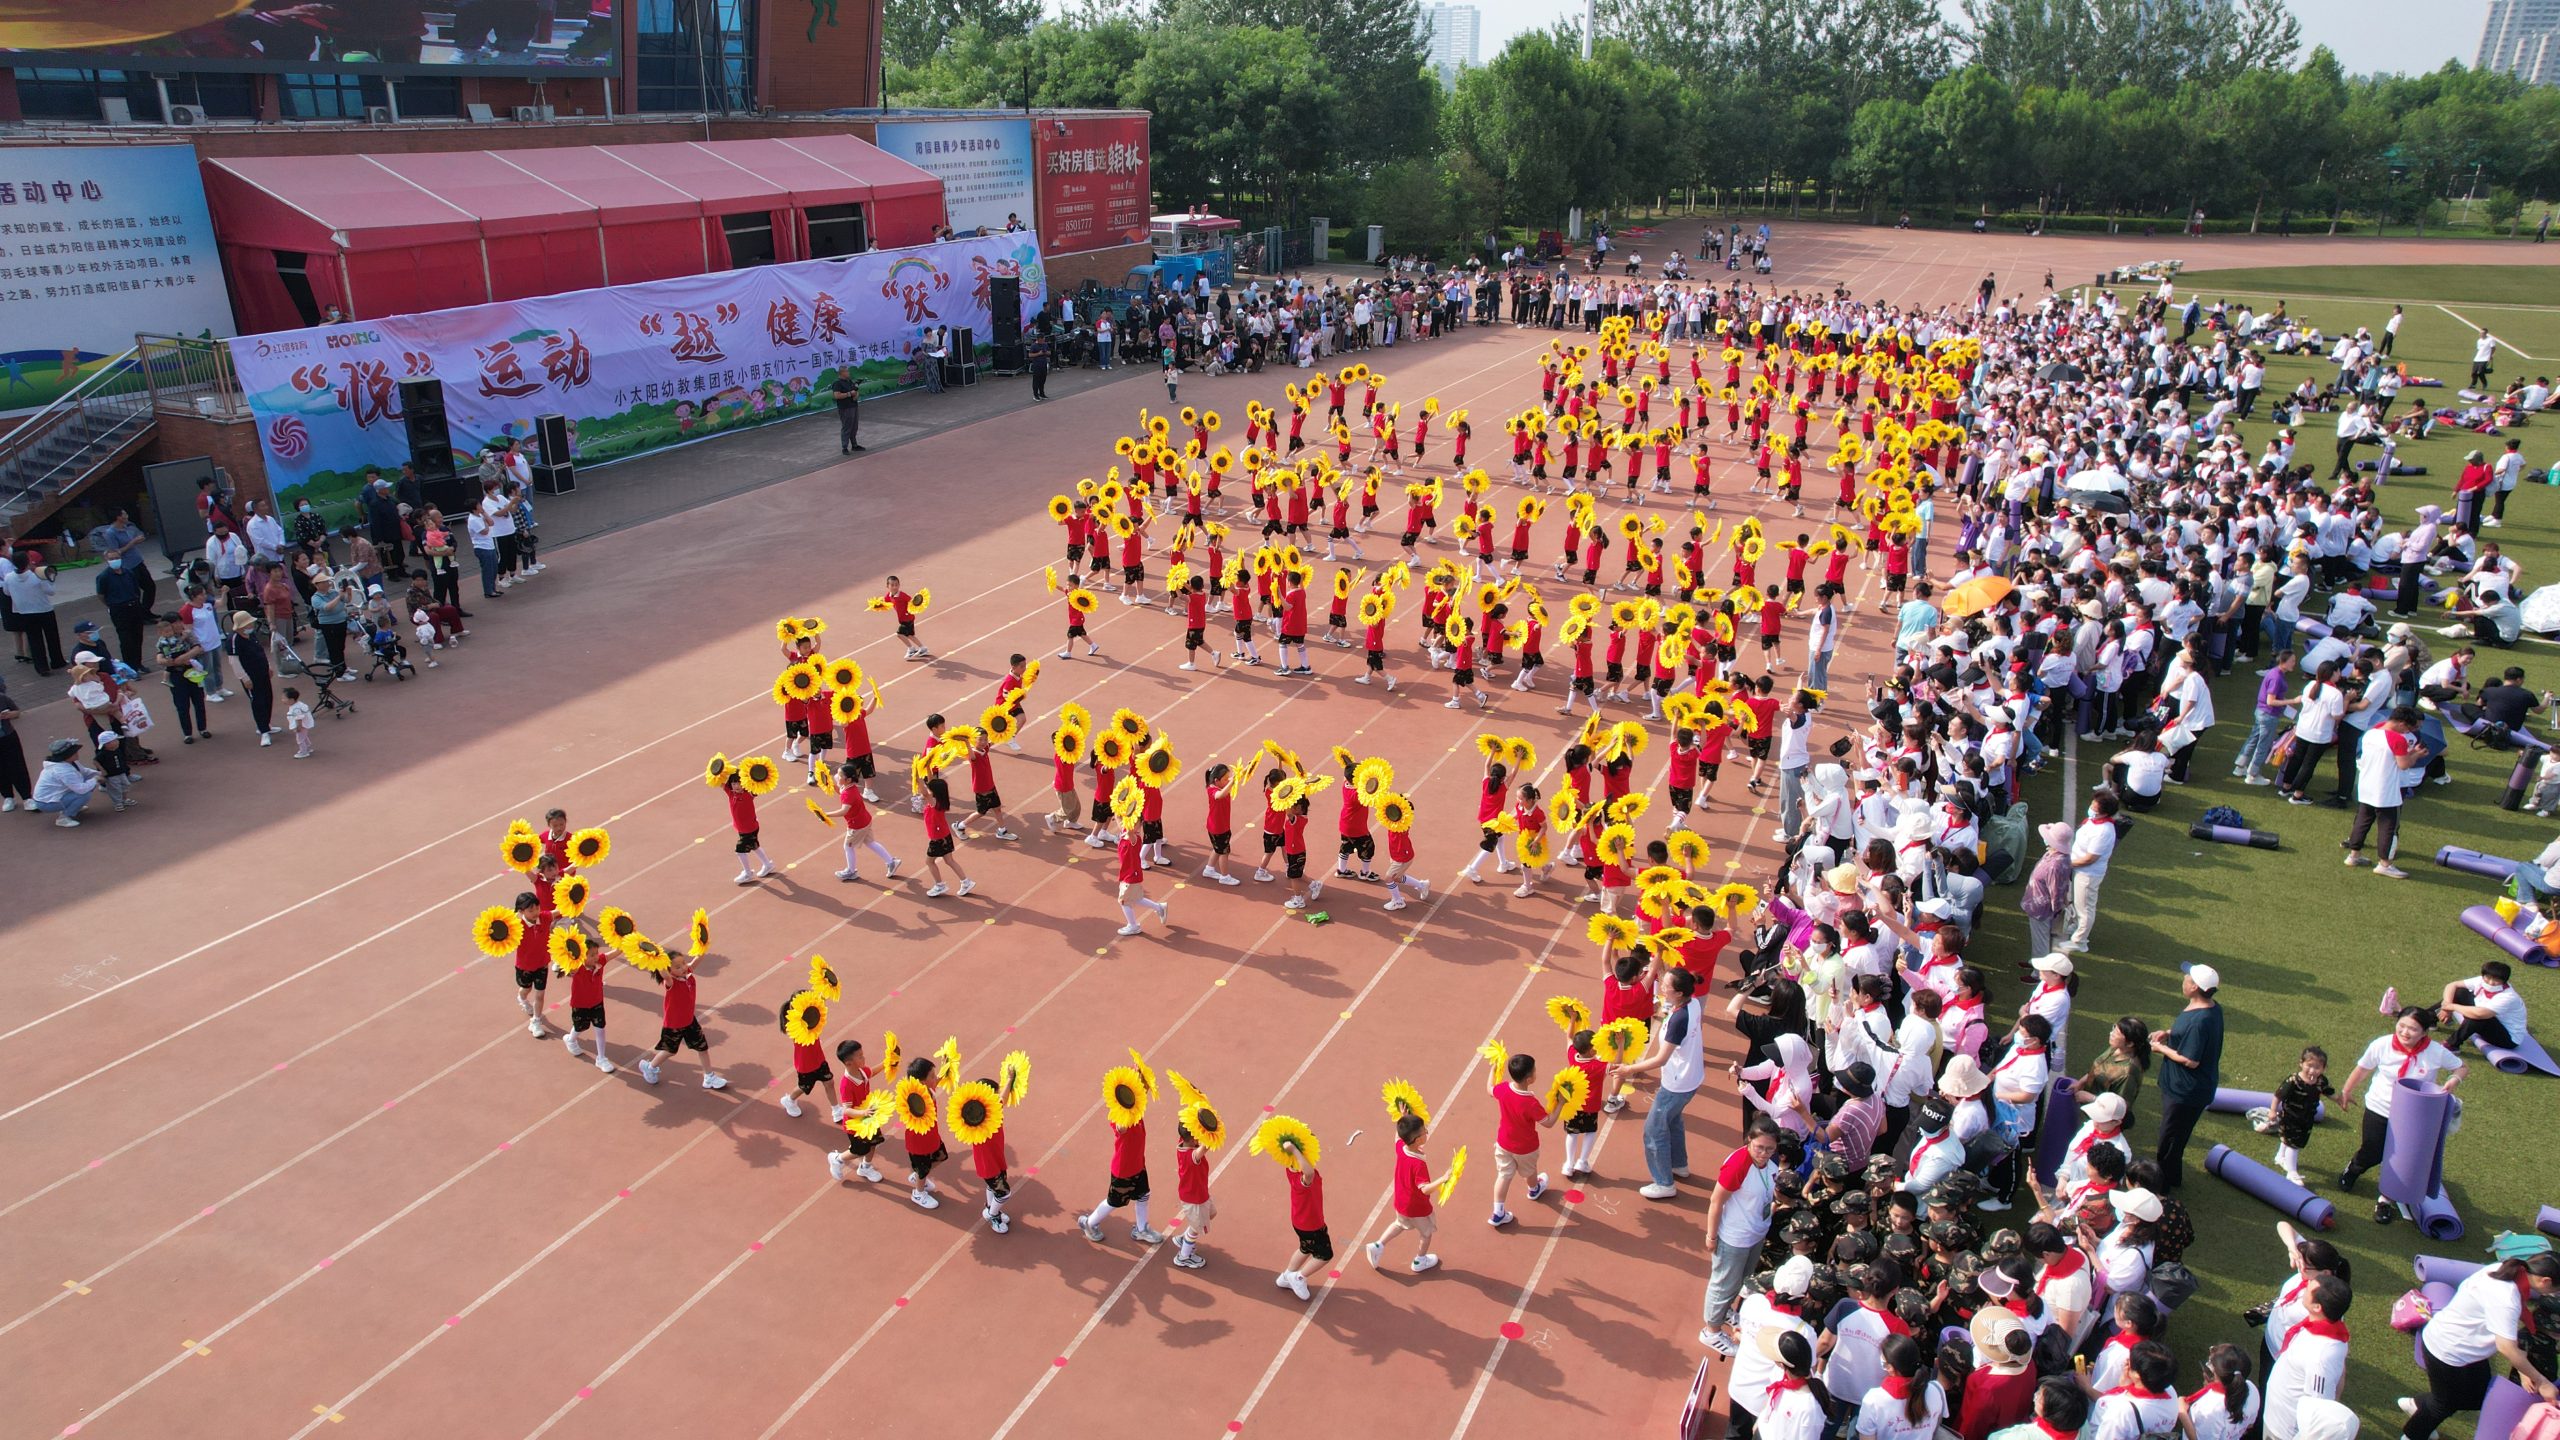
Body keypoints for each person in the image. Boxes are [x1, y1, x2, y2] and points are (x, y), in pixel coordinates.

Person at [2401, 1250, 2560, 1440]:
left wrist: (2524, 1370)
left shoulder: (2505, 1270)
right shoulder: (2506, 1298)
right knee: (2444, 1404)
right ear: (2546, 1281)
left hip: (2465, 1349)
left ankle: (2417, 1405)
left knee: (2480, 1396)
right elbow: (2506, 1347)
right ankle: (2412, 1434)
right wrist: (2542, 1382)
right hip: (2449, 1352)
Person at [2334, 1004, 2466, 1221]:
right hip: (2379, 1108)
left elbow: (2461, 1067)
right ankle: (2354, 1168)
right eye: (2402, 1026)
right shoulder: (2382, 1045)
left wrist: (2454, 1079)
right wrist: (2347, 1091)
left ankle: (2384, 1200)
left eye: (2413, 1029)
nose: (2405, 1032)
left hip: (2414, 1117)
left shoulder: (2435, 1052)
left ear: (2424, 1032)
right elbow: (2363, 1068)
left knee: (2401, 1158)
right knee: (2373, 1150)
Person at [1697, 1119, 1781, 1354]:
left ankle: (1724, 1313)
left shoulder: (1768, 1163)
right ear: (1749, 1141)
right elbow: (1716, 1201)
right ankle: (1711, 1331)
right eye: (1759, 1148)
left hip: (1755, 1232)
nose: (1764, 1154)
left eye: (1770, 1149)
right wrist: (1711, 1237)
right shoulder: (1738, 1165)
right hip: (1734, 1237)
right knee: (1723, 1283)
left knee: (1742, 1278)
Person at [2148, 964, 2224, 1188]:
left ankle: (2162, 1185)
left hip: (2186, 1092)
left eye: (2187, 978)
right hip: (2183, 1087)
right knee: (2173, 1136)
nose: (2183, 978)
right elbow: (2187, 1033)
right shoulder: (2209, 1007)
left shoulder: (2200, 1021)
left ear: (2194, 987)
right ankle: (2172, 1177)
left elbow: (2191, 1060)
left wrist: (2161, 1049)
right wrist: (2169, 1033)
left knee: (2170, 1139)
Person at [2343, 705, 2424, 878]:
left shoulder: (2372, 732)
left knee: (2362, 821)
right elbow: (2403, 765)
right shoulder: (2397, 739)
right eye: (2408, 727)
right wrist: (2416, 754)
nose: (2408, 731)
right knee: (2388, 826)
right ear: (2402, 723)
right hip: (2386, 789)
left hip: (2366, 785)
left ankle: (2353, 855)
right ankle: (2385, 864)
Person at [1364, 1109, 1442, 1273]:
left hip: (1401, 1201)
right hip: (1416, 1208)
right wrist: (1443, 1179)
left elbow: (1397, 1137)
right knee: (1426, 1233)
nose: (1426, 1132)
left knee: (1400, 1223)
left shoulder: (1402, 1147)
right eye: (1424, 1131)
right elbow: (1425, 1189)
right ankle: (1420, 1260)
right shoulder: (1418, 1164)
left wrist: (1402, 1117)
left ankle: (1378, 1245)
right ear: (1417, 1139)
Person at [637, 949, 726, 1090]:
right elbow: (664, 974)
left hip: (690, 1021)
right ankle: (650, 1067)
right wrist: (657, 960)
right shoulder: (670, 983)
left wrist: (702, 943)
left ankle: (709, 1076)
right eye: (677, 967)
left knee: (702, 1047)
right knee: (670, 1051)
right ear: (669, 970)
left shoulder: (688, 974)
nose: (684, 967)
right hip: (674, 1025)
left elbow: (698, 958)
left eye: (683, 963)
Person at [1487, 1050, 1556, 1225]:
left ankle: (1498, 1212)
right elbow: (1548, 1122)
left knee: (1503, 1175)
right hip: (1526, 1147)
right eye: (1534, 1070)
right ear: (1529, 1079)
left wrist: (1493, 1069)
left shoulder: (1502, 1089)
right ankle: (1534, 1189)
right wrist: (1561, 1104)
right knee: (1530, 1171)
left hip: (1504, 1143)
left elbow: (1489, 1089)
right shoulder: (1531, 1103)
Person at [2057, 788, 2119, 953]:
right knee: (2079, 902)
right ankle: (2077, 928)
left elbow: (2091, 858)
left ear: (2104, 813)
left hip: (2088, 873)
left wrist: (2068, 864)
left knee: (2085, 907)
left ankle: (2080, 941)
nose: (2091, 807)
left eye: (2095, 806)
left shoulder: (2104, 831)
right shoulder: (2093, 822)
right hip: (2079, 867)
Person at [2438, 960, 2528, 1054]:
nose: (2491, 982)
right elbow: (2452, 985)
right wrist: (2446, 1008)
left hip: (2508, 1039)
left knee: (2477, 1017)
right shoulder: (2481, 980)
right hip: (2492, 1020)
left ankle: (2452, 1045)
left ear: (2504, 981)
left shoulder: (2508, 996)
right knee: (2460, 992)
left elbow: (2481, 1014)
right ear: (2483, 975)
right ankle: (2428, 1019)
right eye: (2488, 977)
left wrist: (2452, 1007)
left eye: (2496, 980)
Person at [31, 737, 98, 828]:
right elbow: (81, 789)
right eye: (74, 752)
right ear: (67, 755)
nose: (77, 753)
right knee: (85, 794)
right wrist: (96, 779)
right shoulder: (62, 770)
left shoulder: (70, 762)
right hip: (46, 803)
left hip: (54, 796)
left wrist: (98, 774)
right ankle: (64, 818)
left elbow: (84, 771)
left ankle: (73, 806)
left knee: (88, 784)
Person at [831, 368, 864, 454]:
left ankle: (854, 445)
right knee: (847, 427)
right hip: (845, 408)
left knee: (854, 426)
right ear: (842, 373)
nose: (848, 373)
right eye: (847, 371)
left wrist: (856, 393)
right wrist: (849, 394)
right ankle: (844, 447)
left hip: (854, 405)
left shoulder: (849, 381)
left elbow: (855, 392)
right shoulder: (837, 383)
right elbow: (836, 395)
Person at [284, 687, 316, 758]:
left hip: (302, 726)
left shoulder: (295, 708)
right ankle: (307, 747)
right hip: (305, 725)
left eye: (284, 698)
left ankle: (303, 752)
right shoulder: (298, 704)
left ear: (291, 699)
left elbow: (299, 718)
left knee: (300, 739)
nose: (283, 700)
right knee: (304, 736)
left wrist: (299, 726)